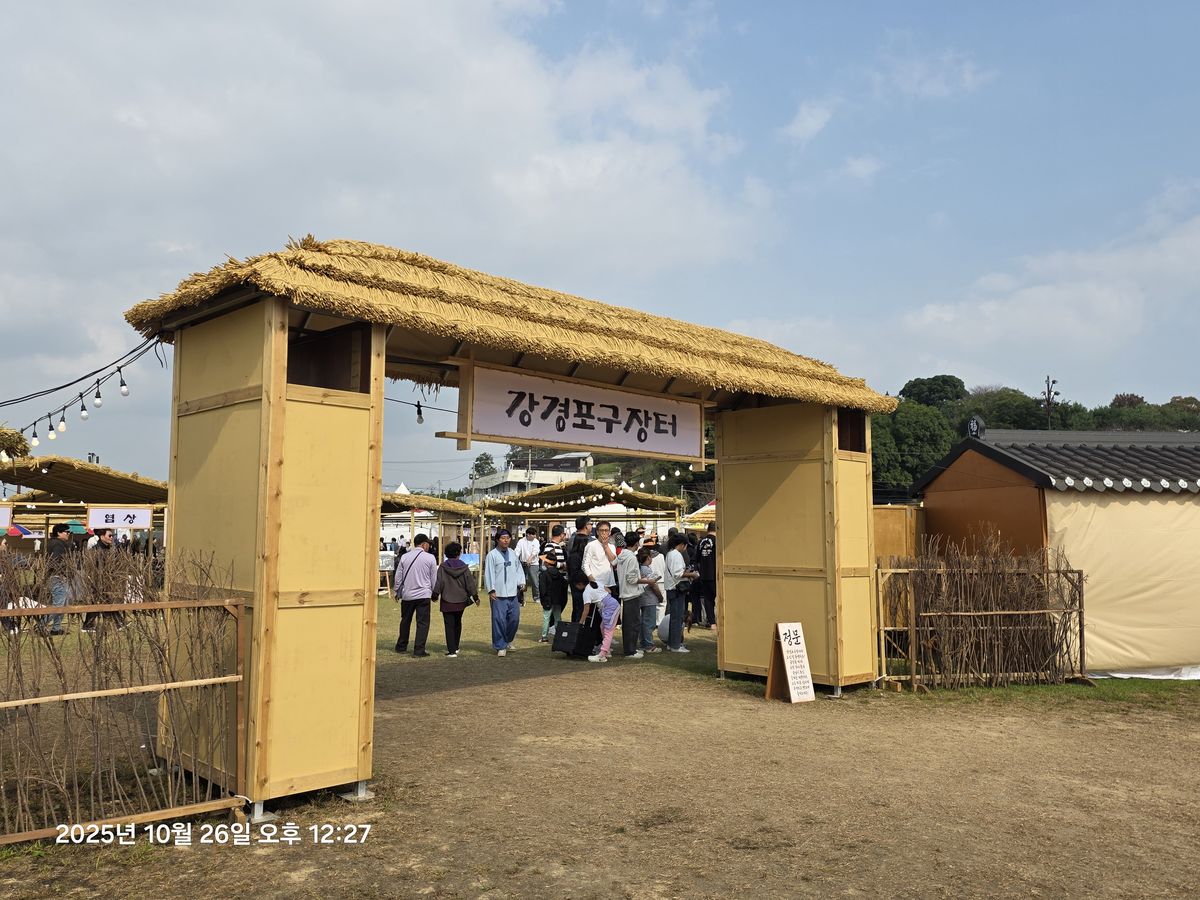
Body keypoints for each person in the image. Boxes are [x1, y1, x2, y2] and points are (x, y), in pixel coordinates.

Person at [394, 533, 439, 657]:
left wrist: (397, 591)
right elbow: (433, 578)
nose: (429, 546)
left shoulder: (405, 557)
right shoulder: (430, 558)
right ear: (424, 544)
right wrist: (434, 593)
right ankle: (419, 650)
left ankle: (401, 646)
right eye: (428, 544)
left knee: (405, 621)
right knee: (422, 623)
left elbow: (398, 576)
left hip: (407, 594)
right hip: (423, 595)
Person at [431, 541, 478, 658]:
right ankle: (456, 647)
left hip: (447, 600)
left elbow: (439, 582)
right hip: (461, 600)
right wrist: (475, 597)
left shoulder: (442, 567)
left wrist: (435, 595)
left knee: (449, 625)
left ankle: (451, 650)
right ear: (459, 553)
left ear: (447, 554)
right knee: (458, 623)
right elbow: (470, 584)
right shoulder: (464, 567)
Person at [484, 529, 525, 657]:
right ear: (497, 539)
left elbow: (518, 569)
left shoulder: (513, 554)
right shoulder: (492, 555)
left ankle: (507, 640)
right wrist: (491, 589)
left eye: (508, 537)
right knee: (499, 620)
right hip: (498, 593)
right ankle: (500, 645)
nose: (506, 540)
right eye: (503, 538)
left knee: (514, 619)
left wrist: (521, 583)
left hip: (513, 593)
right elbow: (489, 572)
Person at [615, 532, 650, 659]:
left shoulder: (621, 555)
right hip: (632, 593)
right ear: (636, 543)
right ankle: (630, 650)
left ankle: (630, 648)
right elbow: (632, 579)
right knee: (633, 623)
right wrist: (647, 581)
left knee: (629, 623)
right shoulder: (631, 557)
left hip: (625, 591)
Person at [663, 533, 698, 653]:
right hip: (677, 589)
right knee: (677, 618)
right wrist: (692, 574)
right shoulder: (676, 555)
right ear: (682, 544)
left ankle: (673, 643)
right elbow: (678, 573)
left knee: (674, 617)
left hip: (672, 588)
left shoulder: (670, 554)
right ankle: (675, 645)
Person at [82, 528, 121, 632]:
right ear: (102, 536)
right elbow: (96, 567)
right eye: (110, 535)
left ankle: (89, 625)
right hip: (98, 580)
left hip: (104, 580)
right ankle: (119, 622)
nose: (112, 538)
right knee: (102, 601)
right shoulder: (97, 550)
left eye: (112, 536)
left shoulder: (107, 548)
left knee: (101, 601)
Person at [538, 524, 568, 642]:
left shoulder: (550, 545)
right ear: (561, 534)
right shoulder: (554, 547)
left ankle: (545, 635)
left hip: (550, 590)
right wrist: (564, 565)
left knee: (548, 615)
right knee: (557, 614)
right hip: (557, 584)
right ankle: (556, 632)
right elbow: (555, 563)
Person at [43, 523, 74, 635]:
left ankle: (56, 628)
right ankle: (41, 625)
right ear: (59, 533)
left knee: (63, 604)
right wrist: (62, 573)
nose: (68, 534)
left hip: (57, 576)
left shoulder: (55, 543)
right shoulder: (58, 544)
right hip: (57, 577)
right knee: (59, 604)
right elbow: (55, 561)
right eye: (67, 532)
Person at [582, 576, 619, 663]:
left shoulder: (586, 593)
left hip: (610, 608)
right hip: (611, 605)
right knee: (602, 627)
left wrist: (580, 622)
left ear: (579, 584)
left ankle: (602, 654)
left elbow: (586, 610)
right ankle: (607, 650)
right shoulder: (596, 583)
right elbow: (609, 591)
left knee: (608, 631)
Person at [637, 547, 664, 653]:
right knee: (649, 622)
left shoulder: (639, 568)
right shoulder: (647, 569)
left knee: (643, 622)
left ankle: (643, 643)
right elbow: (653, 585)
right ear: (648, 557)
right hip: (649, 598)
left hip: (642, 598)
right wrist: (660, 596)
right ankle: (648, 644)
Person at [566, 516, 591, 622]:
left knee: (577, 608)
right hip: (580, 581)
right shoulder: (588, 541)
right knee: (581, 608)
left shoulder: (571, 539)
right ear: (585, 525)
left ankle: (576, 630)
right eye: (590, 524)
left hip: (576, 580)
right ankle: (577, 632)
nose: (591, 526)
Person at [693, 522, 718, 630]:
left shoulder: (700, 542)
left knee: (708, 599)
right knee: (719, 598)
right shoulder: (717, 541)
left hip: (703, 574)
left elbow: (696, 559)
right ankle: (720, 620)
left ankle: (712, 622)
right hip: (714, 574)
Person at [644, 533, 668, 625]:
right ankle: (659, 622)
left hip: (647, 582)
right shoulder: (661, 556)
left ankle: (650, 621)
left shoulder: (643, 556)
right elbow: (664, 569)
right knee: (661, 603)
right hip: (661, 582)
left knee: (649, 603)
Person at [515, 527, 542, 610]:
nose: (534, 536)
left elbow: (536, 551)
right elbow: (517, 551)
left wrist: (530, 559)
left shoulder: (536, 541)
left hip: (533, 564)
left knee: (535, 581)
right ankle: (521, 599)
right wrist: (514, 558)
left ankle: (536, 597)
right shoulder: (521, 541)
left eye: (535, 534)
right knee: (521, 582)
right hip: (522, 563)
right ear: (528, 534)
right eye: (533, 534)